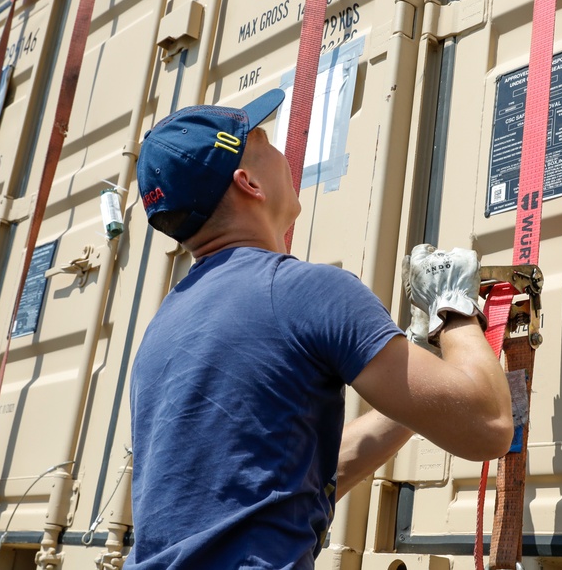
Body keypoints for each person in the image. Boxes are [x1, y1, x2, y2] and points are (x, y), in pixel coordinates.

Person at [127, 88, 513, 569]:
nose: (280, 150)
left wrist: (419, 364)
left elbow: (274, 484)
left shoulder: (166, 325)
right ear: (248, 183)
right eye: (262, 139)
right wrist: (454, 310)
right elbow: (488, 428)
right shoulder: (304, 291)